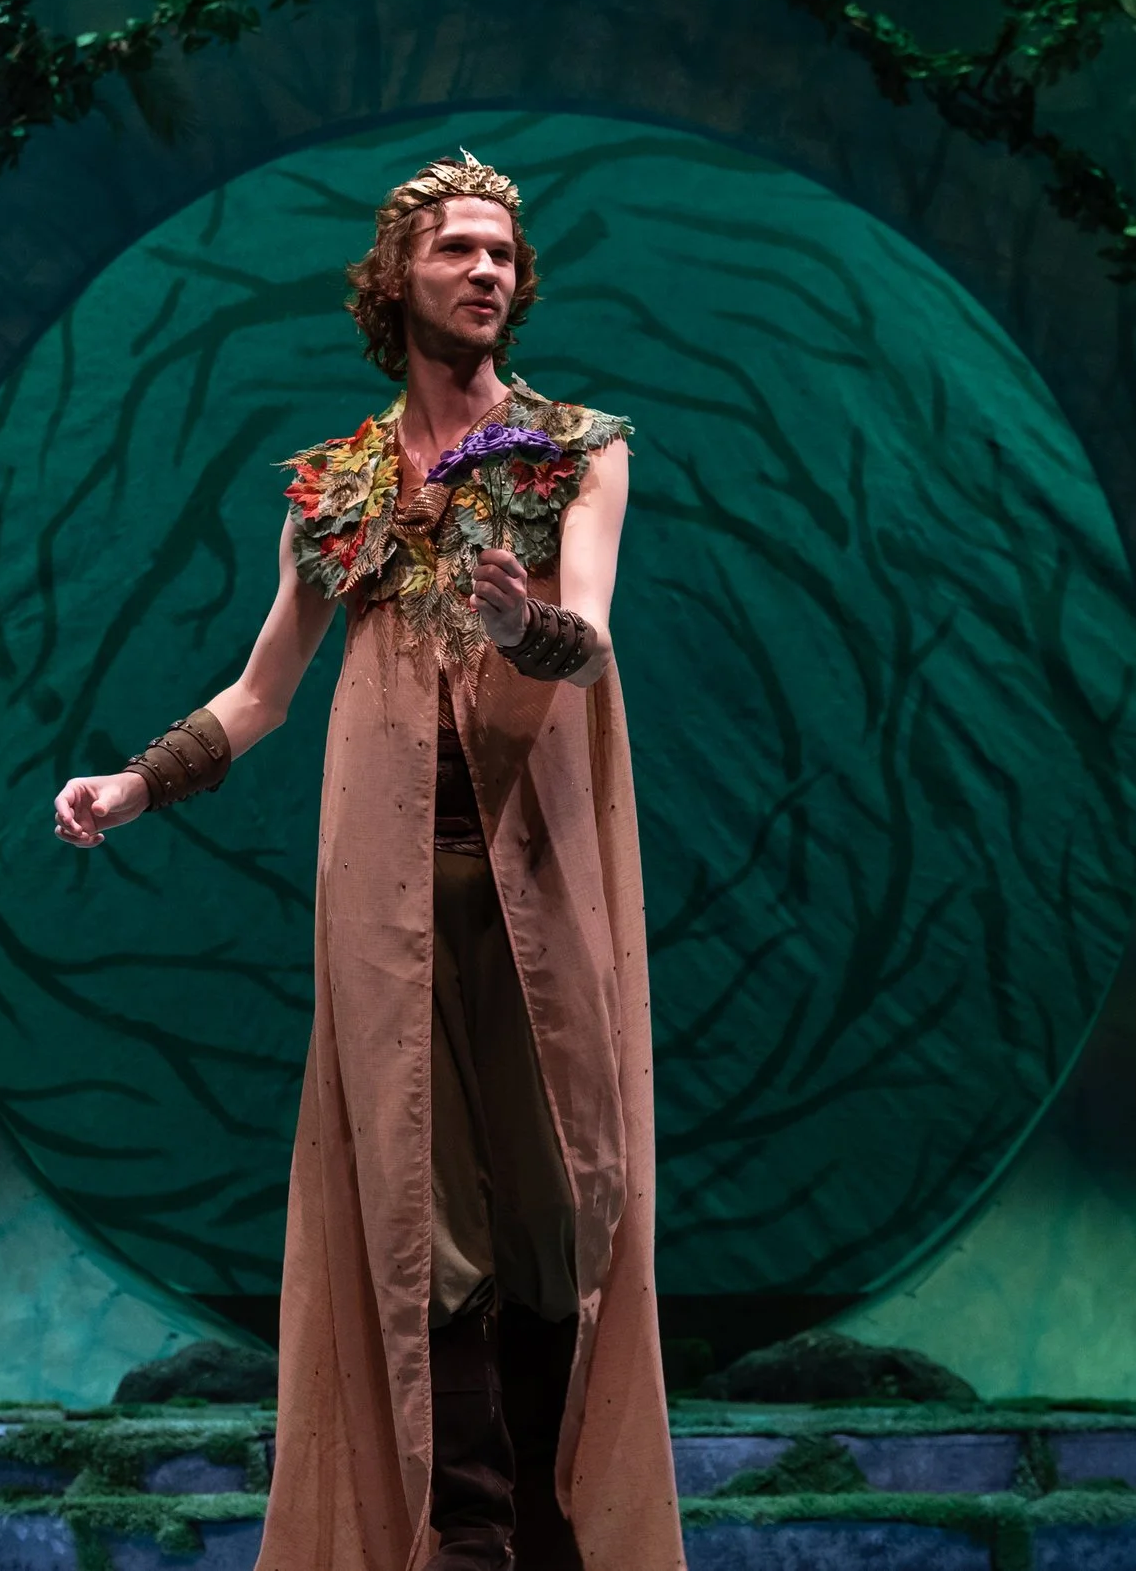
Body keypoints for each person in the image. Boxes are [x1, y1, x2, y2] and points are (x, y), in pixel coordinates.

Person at [53, 155, 681, 1571]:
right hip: (388, 898)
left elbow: (588, 642)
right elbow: (261, 690)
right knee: (414, 1209)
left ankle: (552, 1524)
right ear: (396, 278)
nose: (487, 271)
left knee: (564, 1202)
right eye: (458, 248)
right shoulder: (337, 486)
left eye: (504, 253)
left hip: (539, 881)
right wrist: (136, 782)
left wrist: (521, 625)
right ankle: (466, 1536)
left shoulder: (575, 450)